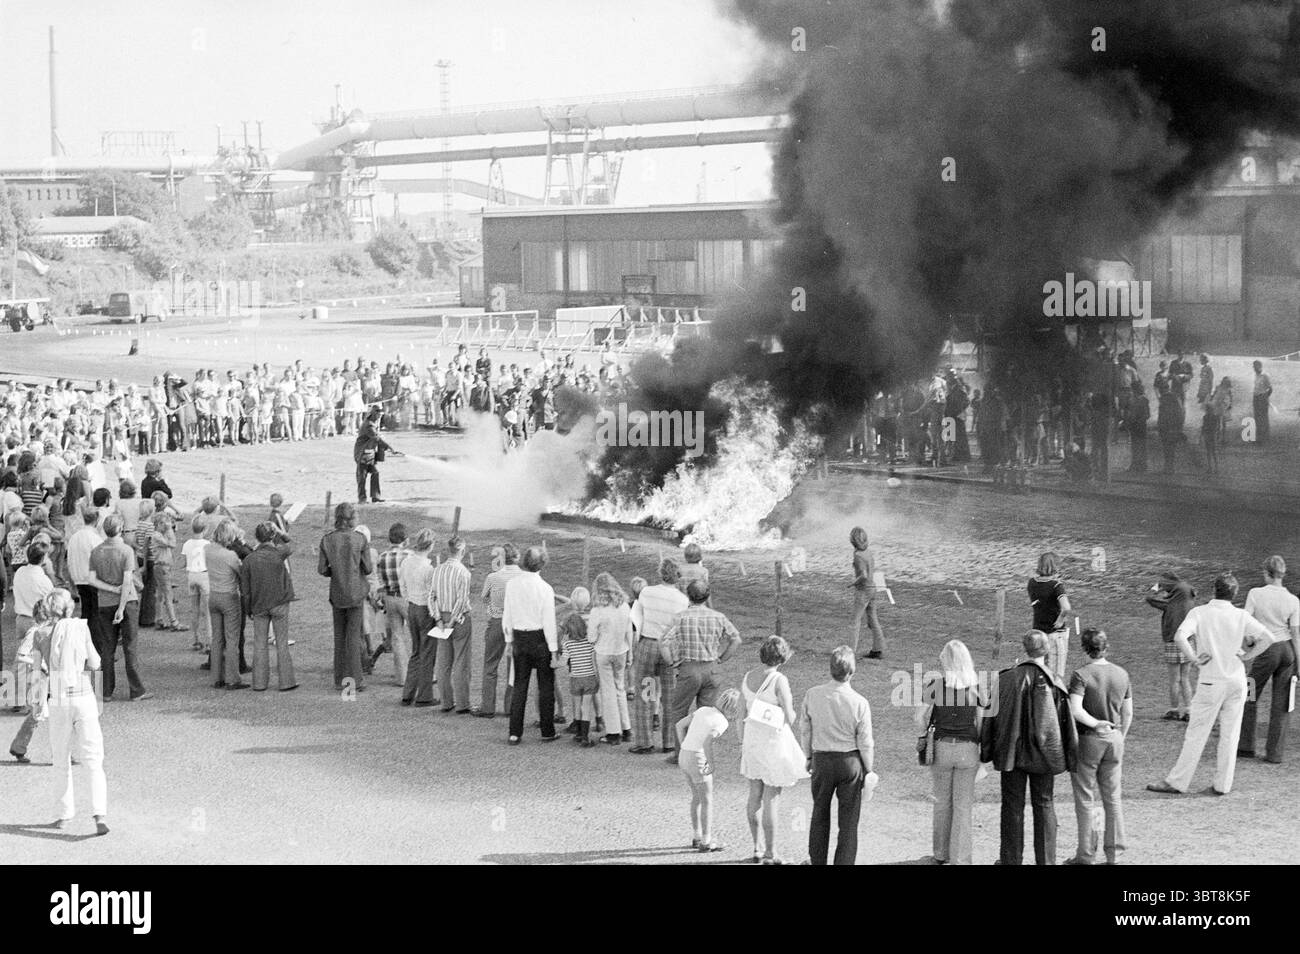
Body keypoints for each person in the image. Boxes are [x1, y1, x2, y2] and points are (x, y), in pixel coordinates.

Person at [1148, 573, 1271, 796]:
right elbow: (1267, 637)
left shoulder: (1201, 612)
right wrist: (1247, 655)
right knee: (1230, 734)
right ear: (1234, 594)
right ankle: (1223, 784)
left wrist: (1194, 658)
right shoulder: (1240, 615)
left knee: (1196, 733)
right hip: (1236, 679)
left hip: (1211, 680)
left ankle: (1178, 781)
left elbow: (1179, 637)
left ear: (1215, 590)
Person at [981, 630, 1078, 865]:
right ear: (1046, 650)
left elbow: (989, 718)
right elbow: (1066, 722)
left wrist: (986, 751)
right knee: (1044, 804)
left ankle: (1010, 860)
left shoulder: (1005, 679)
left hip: (1011, 753)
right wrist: (1070, 756)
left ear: (1024, 649)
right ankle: (1046, 861)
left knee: (1012, 806)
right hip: (1045, 754)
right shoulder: (1055, 682)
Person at [33, 590, 109, 836]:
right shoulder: (80, 628)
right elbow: (96, 662)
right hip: (83, 696)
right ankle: (99, 814)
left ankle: (64, 815)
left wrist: (37, 703)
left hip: (58, 699)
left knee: (61, 759)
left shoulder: (41, 634)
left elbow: (38, 672)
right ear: (69, 608)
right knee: (93, 759)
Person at [801, 646, 874, 866]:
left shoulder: (813, 694)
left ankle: (817, 861)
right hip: (850, 761)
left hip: (822, 759)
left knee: (819, 813)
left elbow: (806, 729)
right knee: (849, 821)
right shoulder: (859, 702)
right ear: (852, 672)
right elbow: (865, 741)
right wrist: (869, 769)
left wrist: (808, 756)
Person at [1065, 628, 1131, 865]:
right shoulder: (1121, 674)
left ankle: (1086, 854)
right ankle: (1114, 853)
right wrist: (1119, 734)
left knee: (1086, 798)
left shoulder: (1081, 675)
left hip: (1089, 739)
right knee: (1112, 798)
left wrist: (1096, 724)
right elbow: (1128, 711)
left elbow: (1076, 709)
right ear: (1106, 647)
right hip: (1114, 739)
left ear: (1084, 648)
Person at [915, 638, 984, 865]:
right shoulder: (977, 687)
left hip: (942, 746)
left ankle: (940, 853)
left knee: (942, 803)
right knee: (963, 806)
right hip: (968, 749)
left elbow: (919, 717)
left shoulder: (936, 685)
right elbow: (982, 723)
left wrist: (924, 733)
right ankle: (960, 857)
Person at [740, 634, 807, 864]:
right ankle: (770, 853)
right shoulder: (779, 680)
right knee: (771, 799)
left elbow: (741, 714)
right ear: (783, 657)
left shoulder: (748, 677)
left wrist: (743, 743)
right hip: (772, 742)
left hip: (752, 741)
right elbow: (789, 716)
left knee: (754, 795)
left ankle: (757, 848)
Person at [660, 581, 741, 765]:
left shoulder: (680, 617)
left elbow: (664, 641)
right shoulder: (718, 617)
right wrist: (721, 657)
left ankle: (681, 753)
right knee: (707, 713)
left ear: (688, 596)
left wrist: (671, 661)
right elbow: (736, 639)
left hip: (689, 668)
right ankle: (701, 753)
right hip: (711, 668)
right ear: (707, 596)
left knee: (679, 710)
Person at [1240, 555, 1300, 763]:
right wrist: (1298, 665)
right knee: (1282, 703)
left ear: (1267, 573)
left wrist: (1248, 642)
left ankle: (1246, 745)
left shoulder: (1255, 594)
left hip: (1266, 650)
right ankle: (1274, 753)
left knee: (1250, 693)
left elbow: (1245, 622)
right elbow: (1296, 634)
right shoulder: (1293, 600)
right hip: (1287, 651)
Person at [628, 559, 689, 754]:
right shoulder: (682, 600)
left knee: (646, 693)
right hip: (669, 648)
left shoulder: (647, 592)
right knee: (670, 696)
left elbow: (638, 615)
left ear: (660, 573)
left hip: (648, 643)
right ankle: (670, 741)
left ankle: (644, 741)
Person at [87, 514, 147, 702]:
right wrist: (121, 607)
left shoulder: (96, 551)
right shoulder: (126, 550)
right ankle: (136, 690)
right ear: (120, 529)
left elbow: (91, 579)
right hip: (127, 603)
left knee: (107, 647)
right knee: (130, 646)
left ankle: (106, 691)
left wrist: (110, 588)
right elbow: (128, 580)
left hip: (104, 602)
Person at [503, 545, 559, 745]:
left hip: (519, 636)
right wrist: (554, 650)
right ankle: (547, 730)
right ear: (541, 564)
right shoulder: (545, 588)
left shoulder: (512, 584)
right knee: (546, 687)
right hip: (540, 639)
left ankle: (514, 731)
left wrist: (508, 639)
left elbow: (507, 614)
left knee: (520, 685)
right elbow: (549, 622)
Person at [675, 687, 742, 853]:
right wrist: (711, 764)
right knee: (707, 800)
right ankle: (706, 840)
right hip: (697, 758)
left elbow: (679, 725)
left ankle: (697, 836)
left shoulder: (703, 710)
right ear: (732, 709)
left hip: (684, 755)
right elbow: (707, 742)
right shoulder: (722, 721)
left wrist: (685, 744)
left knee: (696, 798)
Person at [317, 502, 372, 692]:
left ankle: (340, 677)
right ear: (351, 519)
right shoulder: (360, 539)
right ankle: (355, 679)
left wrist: (337, 570)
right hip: (356, 591)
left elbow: (322, 569)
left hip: (338, 591)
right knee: (354, 636)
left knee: (339, 636)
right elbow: (369, 568)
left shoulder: (327, 539)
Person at [240, 521, 298, 692]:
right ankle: (286, 681)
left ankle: (259, 683)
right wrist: (281, 531)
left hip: (258, 604)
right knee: (281, 642)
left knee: (260, 643)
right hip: (279, 601)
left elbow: (245, 590)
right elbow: (292, 544)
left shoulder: (249, 559)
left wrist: (248, 608)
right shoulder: (279, 552)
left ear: (256, 537)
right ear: (273, 537)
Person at [476, 542, 522, 718]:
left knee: (490, 664)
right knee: (514, 667)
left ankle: (487, 707)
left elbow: (484, 597)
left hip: (497, 621)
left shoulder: (493, 577)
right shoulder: (522, 577)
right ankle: (510, 707)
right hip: (515, 624)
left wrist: (491, 610)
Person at [428, 537, 473, 714]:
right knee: (461, 661)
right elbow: (461, 600)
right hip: (459, 618)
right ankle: (462, 704)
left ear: (449, 550)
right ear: (462, 552)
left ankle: (446, 701)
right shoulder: (464, 572)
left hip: (442, 615)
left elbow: (431, 596)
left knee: (443, 661)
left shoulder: (437, 570)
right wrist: (452, 621)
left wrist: (438, 619)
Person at [590, 572, 633, 745]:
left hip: (604, 651)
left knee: (608, 691)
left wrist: (598, 637)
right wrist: (630, 652)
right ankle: (626, 728)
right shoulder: (624, 607)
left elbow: (591, 636)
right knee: (620, 688)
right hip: (621, 650)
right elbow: (629, 631)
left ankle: (613, 732)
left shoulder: (597, 610)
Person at [1147, 571, 1196, 721]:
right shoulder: (1189, 598)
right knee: (1185, 678)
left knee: (1174, 679)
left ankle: (1174, 710)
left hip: (1173, 641)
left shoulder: (1169, 603)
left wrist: (1156, 588)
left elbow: (1150, 598)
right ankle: (1189, 710)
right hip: (1189, 641)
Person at [399, 529, 439, 707]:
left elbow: (403, 586)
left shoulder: (407, 562)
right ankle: (424, 696)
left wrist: (409, 600)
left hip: (412, 607)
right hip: (424, 609)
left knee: (416, 651)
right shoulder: (428, 568)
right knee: (427, 652)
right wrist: (436, 615)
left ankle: (408, 693)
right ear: (430, 546)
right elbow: (432, 595)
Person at [206, 519, 245, 690]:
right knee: (232, 639)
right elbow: (241, 573)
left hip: (213, 594)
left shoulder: (207, 549)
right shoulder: (230, 556)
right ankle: (232, 678)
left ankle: (216, 677)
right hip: (229, 596)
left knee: (217, 639)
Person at [560, 587, 598, 747]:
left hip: (575, 677)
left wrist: (554, 663)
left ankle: (576, 729)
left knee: (576, 703)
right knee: (586, 706)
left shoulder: (567, 644)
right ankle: (585, 735)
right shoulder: (590, 643)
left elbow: (563, 661)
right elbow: (594, 658)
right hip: (589, 677)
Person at [66, 505, 104, 657]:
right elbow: (100, 559)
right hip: (92, 578)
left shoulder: (75, 536)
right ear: (96, 520)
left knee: (86, 612)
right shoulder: (94, 538)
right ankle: (96, 648)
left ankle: (83, 646)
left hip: (78, 577)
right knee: (95, 614)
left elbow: (69, 559)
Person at [375, 523, 411, 683]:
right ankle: (425, 673)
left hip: (390, 597)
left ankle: (401, 677)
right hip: (407, 598)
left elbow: (380, 578)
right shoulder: (409, 555)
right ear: (405, 539)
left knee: (397, 638)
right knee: (419, 635)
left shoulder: (382, 556)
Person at [1028, 552, 1072, 680]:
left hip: (1037, 632)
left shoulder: (1032, 583)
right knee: (1056, 675)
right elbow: (1066, 607)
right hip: (1055, 634)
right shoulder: (1056, 586)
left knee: (1039, 672)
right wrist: (1060, 619)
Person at [849, 526, 885, 658]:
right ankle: (878, 649)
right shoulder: (868, 552)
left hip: (863, 590)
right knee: (873, 619)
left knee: (855, 621)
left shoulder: (858, 555)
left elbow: (863, 575)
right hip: (872, 588)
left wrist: (853, 582)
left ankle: (851, 651)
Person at [181, 516, 212, 652]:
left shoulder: (187, 544)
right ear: (205, 529)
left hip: (192, 575)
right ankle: (209, 642)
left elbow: (184, 561)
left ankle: (195, 639)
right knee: (207, 612)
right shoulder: (207, 544)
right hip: (204, 575)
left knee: (195, 610)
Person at [353, 408, 394, 504]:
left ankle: (375, 496)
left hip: (370, 453)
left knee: (375, 472)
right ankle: (362, 498)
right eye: (378, 415)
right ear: (373, 414)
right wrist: (389, 448)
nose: (379, 417)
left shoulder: (373, 424)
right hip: (362, 453)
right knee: (362, 477)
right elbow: (376, 438)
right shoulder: (368, 425)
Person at [1156, 388, 1184, 475]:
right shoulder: (1176, 408)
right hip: (1171, 430)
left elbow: (1160, 418)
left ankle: (1168, 467)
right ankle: (1169, 467)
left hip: (1167, 430)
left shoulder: (1164, 406)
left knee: (1167, 449)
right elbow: (1180, 418)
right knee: (1170, 449)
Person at [1252, 360, 1272, 445]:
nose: (1253, 368)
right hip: (1256, 397)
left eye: (1255, 366)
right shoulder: (1256, 375)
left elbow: (1270, 388)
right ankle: (1259, 437)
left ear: (1259, 366)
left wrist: (1265, 397)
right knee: (1257, 417)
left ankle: (1265, 437)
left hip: (1262, 398)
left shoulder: (1265, 376)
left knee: (1263, 418)